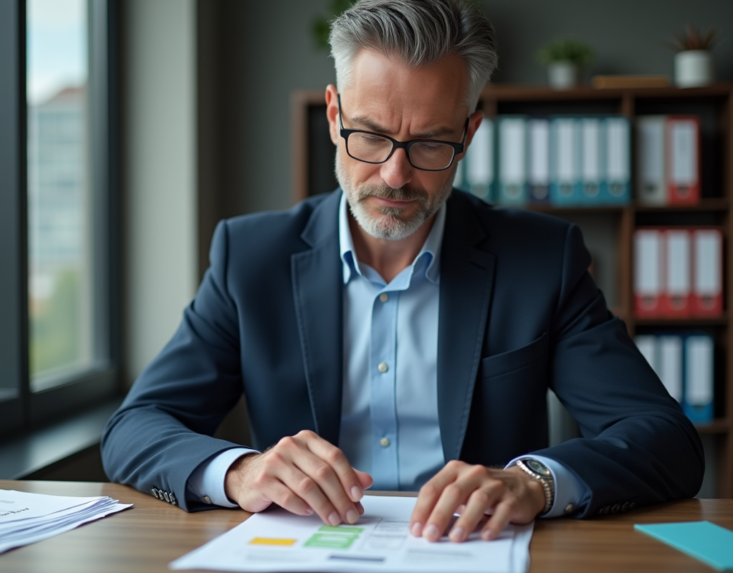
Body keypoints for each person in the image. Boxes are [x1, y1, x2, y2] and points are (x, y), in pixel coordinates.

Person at [102, 0, 704, 544]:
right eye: (371, 135)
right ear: (335, 116)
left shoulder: (542, 259)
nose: (394, 175)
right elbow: (136, 428)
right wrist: (242, 472)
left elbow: (665, 438)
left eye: (430, 144)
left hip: (475, 553)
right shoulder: (249, 256)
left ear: (469, 135)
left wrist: (537, 482)